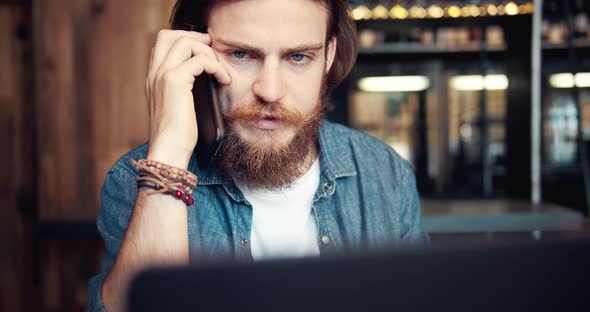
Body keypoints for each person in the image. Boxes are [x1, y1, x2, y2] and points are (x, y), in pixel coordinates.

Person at [87, 0, 429, 311]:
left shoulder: (385, 174)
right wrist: (169, 154)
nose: (269, 90)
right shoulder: (136, 180)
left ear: (328, 56)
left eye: (298, 57)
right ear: (192, 53)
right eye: (240, 54)